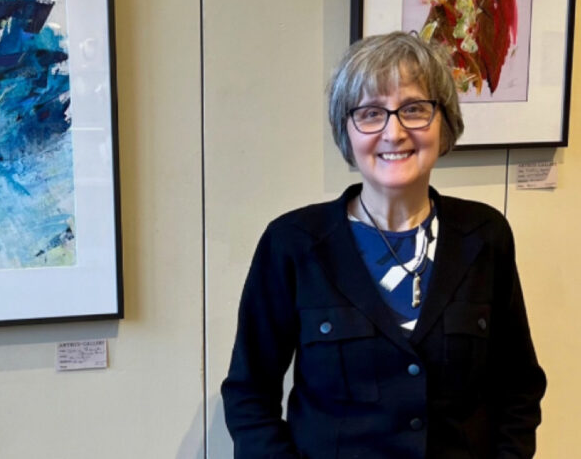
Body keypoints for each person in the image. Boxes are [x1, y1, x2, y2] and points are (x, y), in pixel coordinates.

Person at [221, 31, 545, 458]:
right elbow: (249, 395)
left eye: (414, 109)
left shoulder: (485, 235)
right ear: (347, 131)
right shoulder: (293, 244)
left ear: (444, 122)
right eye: (371, 113)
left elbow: (518, 386)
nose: (394, 132)